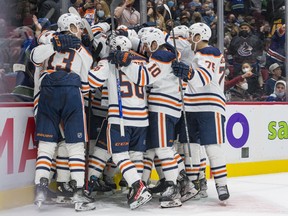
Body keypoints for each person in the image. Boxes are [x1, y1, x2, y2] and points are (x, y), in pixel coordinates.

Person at [30, 13, 95, 211]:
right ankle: (78, 191)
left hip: (47, 91)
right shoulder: (82, 50)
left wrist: (52, 45)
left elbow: (34, 57)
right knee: (75, 146)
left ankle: (40, 188)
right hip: (71, 91)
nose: (80, 30)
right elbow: (86, 83)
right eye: (78, 26)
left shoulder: (48, 38)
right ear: (72, 26)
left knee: (47, 144)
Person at [88, 35, 152, 210]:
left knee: (119, 155)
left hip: (120, 117)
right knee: (136, 155)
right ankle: (135, 190)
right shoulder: (142, 61)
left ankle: (138, 187)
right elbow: (149, 81)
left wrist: (94, 62)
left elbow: (92, 81)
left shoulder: (109, 61)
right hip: (142, 117)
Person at [172, 22, 230, 202]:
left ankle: (221, 184)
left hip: (210, 104)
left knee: (212, 146)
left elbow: (203, 78)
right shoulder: (198, 54)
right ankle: (196, 184)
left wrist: (187, 73)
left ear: (198, 37)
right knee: (191, 147)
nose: (189, 39)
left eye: (191, 35)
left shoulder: (209, 52)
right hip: (191, 104)